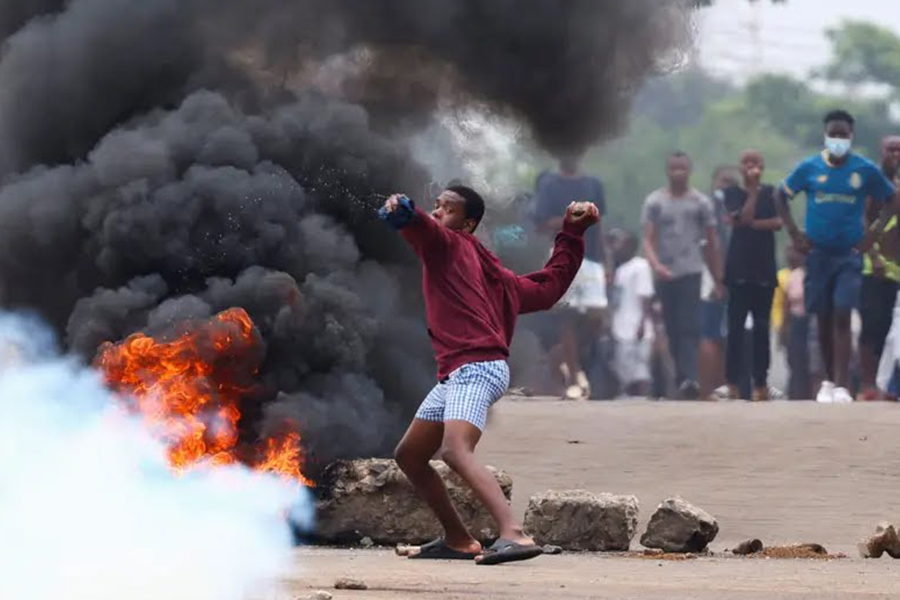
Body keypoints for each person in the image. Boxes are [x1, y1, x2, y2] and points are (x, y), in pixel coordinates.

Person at [380, 186, 599, 565]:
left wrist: (404, 212)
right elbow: (549, 287)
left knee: (454, 450)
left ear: (467, 224)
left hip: (475, 368)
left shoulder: (446, 244)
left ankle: (515, 534)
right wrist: (573, 234)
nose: (437, 213)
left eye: (447, 210)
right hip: (458, 372)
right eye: (435, 206)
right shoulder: (496, 276)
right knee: (410, 455)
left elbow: (422, 229)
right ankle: (458, 539)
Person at [777, 109, 897, 404]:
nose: (838, 139)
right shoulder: (809, 168)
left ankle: (843, 385)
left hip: (849, 255)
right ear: (826, 135)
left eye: (843, 135)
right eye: (833, 134)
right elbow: (780, 195)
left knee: (843, 312)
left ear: (851, 136)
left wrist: (874, 234)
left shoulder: (864, 170)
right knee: (823, 317)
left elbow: (892, 201)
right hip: (817, 255)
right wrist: (794, 233)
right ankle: (828, 381)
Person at [642, 151, 724, 399]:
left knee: (690, 326)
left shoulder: (700, 203)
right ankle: (681, 377)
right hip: (665, 273)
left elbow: (712, 242)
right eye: (674, 168)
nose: (678, 173)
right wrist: (656, 265)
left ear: (690, 170)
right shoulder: (655, 202)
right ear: (667, 171)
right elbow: (648, 239)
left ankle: (690, 378)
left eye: (683, 168)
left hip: (692, 270)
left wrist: (718, 278)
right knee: (673, 328)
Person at [533, 154, 610, 399]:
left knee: (596, 315)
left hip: (592, 258)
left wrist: (608, 260)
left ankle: (563, 356)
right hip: (562, 253)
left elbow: (600, 225)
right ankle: (575, 377)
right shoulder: (549, 185)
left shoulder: (594, 184)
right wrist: (570, 218)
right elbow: (541, 225)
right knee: (565, 316)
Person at [714, 151, 783, 400]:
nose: (751, 167)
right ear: (741, 167)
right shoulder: (732, 194)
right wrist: (752, 193)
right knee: (735, 327)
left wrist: (754, 223)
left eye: (755, 162)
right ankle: (731, 383)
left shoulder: (773, 192)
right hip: (739, 270)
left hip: (764, 269)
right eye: (746, 163)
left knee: (762, 329)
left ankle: (761, 384)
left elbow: (778, 222)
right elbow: (741, 217)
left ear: (762, 166)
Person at [858, 136, 900, 400]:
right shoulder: (871, 184)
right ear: (880, 152)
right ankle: (867, 385)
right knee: (873, 326)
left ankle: (889, 387)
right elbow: (862, 219)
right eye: (890, 149)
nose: (895, 154)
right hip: (873, 268)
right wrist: (873, 257)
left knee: (893, 331)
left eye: (899, 150)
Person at [699, 165, 740, 398]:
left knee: (727, 336)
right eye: (722, 182)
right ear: (714, 183)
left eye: (730, 183)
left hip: (734, 279)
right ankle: (708, 390)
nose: (725, 187)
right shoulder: (708, 208)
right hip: (711, 279)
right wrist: (717, 279)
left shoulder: (736, 211)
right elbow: (707, 246)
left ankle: (725, 388)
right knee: (710, 335)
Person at [610, 229, 654, 397]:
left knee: (640, 369)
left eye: (618, 243)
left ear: (629, 245)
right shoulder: (621, 270)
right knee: (624, 368)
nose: (615, 247)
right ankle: (629, 398)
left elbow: (645, 296)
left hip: (637, 327)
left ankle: (642, 399)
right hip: (622, 328)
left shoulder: (640, 266)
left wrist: (643, 323)